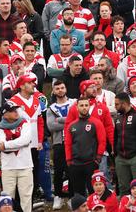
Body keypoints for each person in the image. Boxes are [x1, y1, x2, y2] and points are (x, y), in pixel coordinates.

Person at [0, 101, 34, 212]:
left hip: (25, 166)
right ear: (5, 114)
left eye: (16, 109)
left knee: (26, 198)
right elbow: (0, 144)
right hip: (8, 168)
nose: (16, 112)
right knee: (7, 199)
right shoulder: (0, 128)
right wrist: (20, 144)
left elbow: (26, 140)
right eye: (12, 111)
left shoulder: (25, 123)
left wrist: (7, 145)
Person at [64, 97, 106, 197]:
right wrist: (69, 160)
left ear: (89, 106)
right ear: (77, 107)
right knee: (78, 193)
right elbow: (68, 144)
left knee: (93, 192)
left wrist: (98, 157)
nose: (84, 108)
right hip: (75, 164)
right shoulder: (72, 125)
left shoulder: (96, 122)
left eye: (86, 105)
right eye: (81, 105)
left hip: (91, 163)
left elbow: (102, 141)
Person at [114, 92, 136, 197]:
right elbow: (116, 137)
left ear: (124, 104)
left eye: (117, 104)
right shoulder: (118, 118)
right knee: (123, 188)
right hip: (120, 158)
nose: (115, 106)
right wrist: (116, 155)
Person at [45, 81, 74, 210]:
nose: (60, 90)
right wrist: (69, 121)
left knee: (72, 170)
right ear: (54, 91)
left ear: (66, 88)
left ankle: (72, 196)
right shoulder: (51, 108)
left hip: (75, 141)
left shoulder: (74, 103)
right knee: (58, 169)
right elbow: (51, 126)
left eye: (62, 87)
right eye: (57, 89)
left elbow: (78, 119)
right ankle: (58, 194)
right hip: (58, 142)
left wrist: (61, 120)